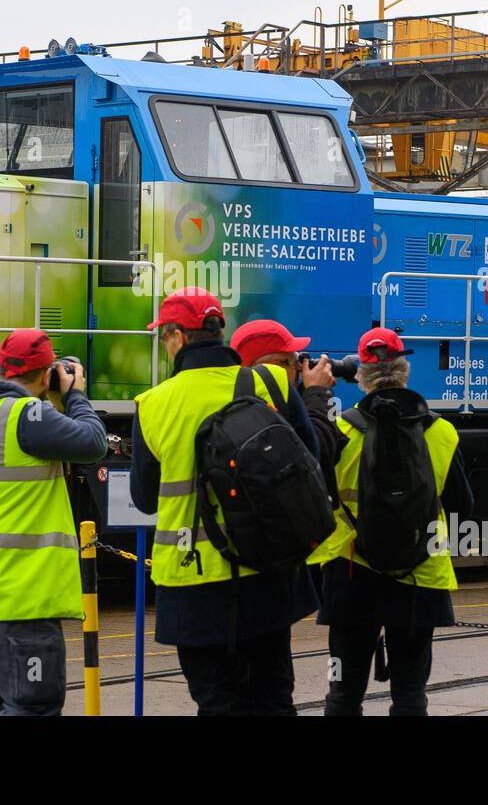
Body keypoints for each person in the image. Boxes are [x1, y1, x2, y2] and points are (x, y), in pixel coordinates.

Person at [130, 287, 321, 715]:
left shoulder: (153, 404)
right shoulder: (269, 381)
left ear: (178, 337)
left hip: (191, 579)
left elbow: (143, 499)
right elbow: (312, 459)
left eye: (164, 336)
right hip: (267, 568)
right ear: (220, 331)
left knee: (217, 701)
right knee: (273, 697)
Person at [0, 328, 107, 715]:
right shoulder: (26, 416)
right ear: (47, 373)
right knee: (34, 706)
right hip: (18, 599)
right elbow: (93, 443)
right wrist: (75, 395)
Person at [310, 327, 473, 715]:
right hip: (420, 578)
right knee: (410, 692)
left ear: (360, 375)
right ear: (405, 372)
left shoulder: (342, 432)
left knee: (343, 693)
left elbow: (317, 502)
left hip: (352, 577)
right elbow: (462, 508)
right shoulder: (442, 432)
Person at [230, 318, 343, 490]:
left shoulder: (240, 402)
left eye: (297, 359)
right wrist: (318, 392)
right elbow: (319, 454)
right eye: (287, 362)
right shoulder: (264, 414)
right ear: (263, 369)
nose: (299, 368)